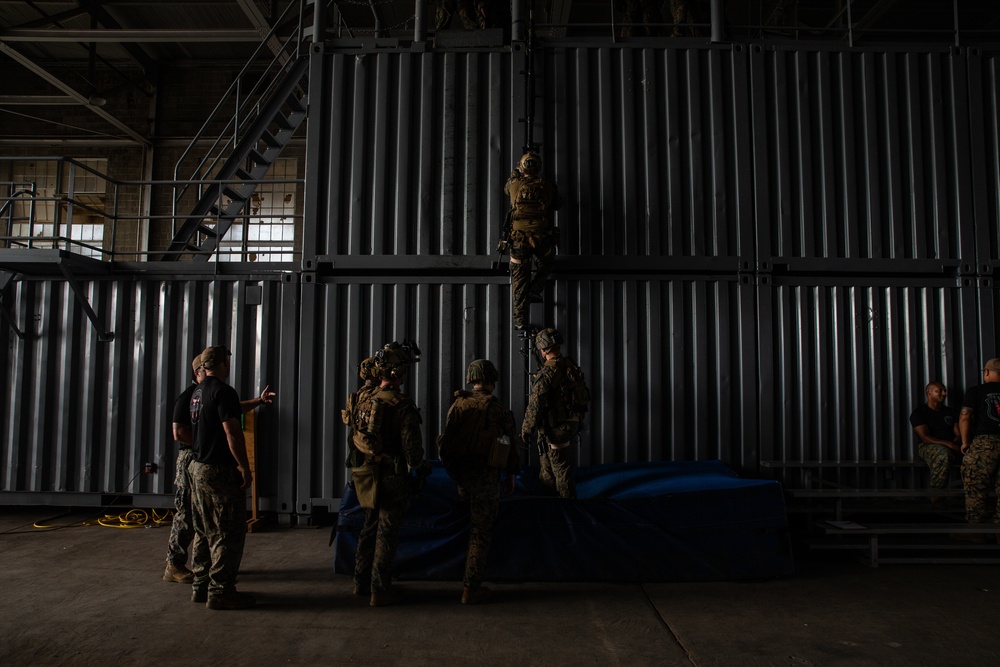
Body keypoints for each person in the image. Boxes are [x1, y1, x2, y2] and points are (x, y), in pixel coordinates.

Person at [188, 345, 274, 610]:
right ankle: (222, 591)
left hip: (198, 468)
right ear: (223, 363)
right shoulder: (223, 390)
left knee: (204, 530)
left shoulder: (198, 392)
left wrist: (257, 402)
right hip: (219, 471)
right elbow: (233, 433)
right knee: (229, 531)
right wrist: (245, 468)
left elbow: (230, 409)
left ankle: (201, 586)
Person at [351, 341, 429, 607]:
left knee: (368, 526)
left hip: (364, 473)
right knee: (386, 532)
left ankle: (360, 582)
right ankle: (380, 590)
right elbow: (413, 452)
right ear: (397, 373)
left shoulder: (364, 396)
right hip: (391, 476)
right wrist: (419, 468)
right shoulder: (401, 404)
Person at [438, 359, 520, 604]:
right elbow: (509, 445)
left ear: (471, 379)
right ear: (491, 380)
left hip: (462, 477)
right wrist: (511, 475)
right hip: (486, 478)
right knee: (480, 531)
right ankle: (471, 587)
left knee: (466, 526)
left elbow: (447, 443)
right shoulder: (497, 408)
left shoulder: (458, 405)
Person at [522, 327, 588, 499]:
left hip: (557, 427)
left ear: (543, 349)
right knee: (547, 464)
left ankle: (568, 509)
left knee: (561, 470)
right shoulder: (569, 364)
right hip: (568, 422)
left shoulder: (547, 372)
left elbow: (535, 405)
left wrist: (526, 430)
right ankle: (550, 502)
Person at [504, 150, 560, 331]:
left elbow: (506, 189)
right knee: (548, 261)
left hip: (519, 240)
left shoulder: (514, 184)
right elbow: (557, 203)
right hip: (541, 238)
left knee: (519, 280)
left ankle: (520, 321)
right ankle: (535, 289)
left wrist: (515, 173)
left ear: (521, 166)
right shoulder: (547, 185)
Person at [162, 354, 205, 584]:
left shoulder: (205, 395)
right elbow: (178, 433)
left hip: (201, 458)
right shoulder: (187, 398)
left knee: (201, 514)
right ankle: (174, 565)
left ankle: (203, 564)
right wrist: (202, 443)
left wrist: (257, 401)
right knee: (185, 515)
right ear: (198, 372)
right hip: (189, 459)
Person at [957, 358, 1000, 543]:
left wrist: (965, 442)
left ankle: (976, 529)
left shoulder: (977, 391)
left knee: (974, 481)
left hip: (986, 442)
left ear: (987, 373)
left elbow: (965, 416)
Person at [909, 381, 961, 503]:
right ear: (929, 392)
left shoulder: (949, 412)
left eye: (944, 391)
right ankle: (936, 497)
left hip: (951, 446)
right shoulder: (919, 413)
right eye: (939, 391)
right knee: (943, 454)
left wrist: (957, 441)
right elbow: (925, 437)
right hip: (927, 446)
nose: (944, 394)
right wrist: (949, 444)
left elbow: (958, 433)